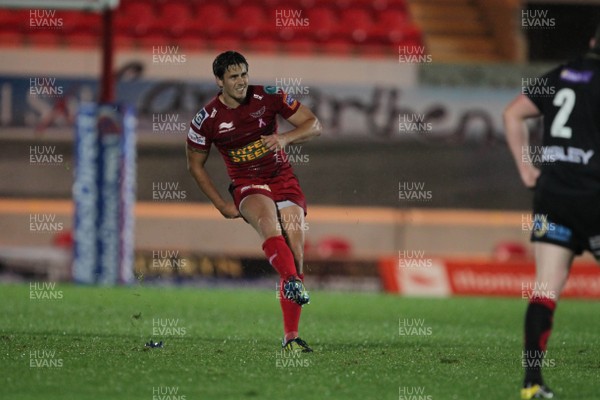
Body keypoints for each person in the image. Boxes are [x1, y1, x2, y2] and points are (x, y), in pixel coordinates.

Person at [186, 51, 322, 352]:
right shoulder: (207, 119)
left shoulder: (268, 96)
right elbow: (195, 165)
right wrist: (222, 205)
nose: (241, 81)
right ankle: (290, 282)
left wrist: (285, 139)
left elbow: (314, 124)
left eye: (244, 74)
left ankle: (291, 336)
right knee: (267, 223)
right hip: (248, 184)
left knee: (296, 249)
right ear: (219, 81)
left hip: (283, 179)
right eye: (233, 76)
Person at [504, 25, 600, 399]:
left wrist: (527, 168)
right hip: (594, 196)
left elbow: (513, 114)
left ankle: (531, 383)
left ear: (591, 42)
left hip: (553, 194)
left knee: (546, 287)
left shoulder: (560, 75)